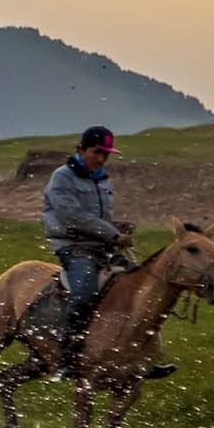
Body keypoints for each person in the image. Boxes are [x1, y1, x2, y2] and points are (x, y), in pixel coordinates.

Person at [42, 125, 172, 380]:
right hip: (73, 247)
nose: (101, 158)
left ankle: (142, 357)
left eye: (106, 154)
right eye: (96, 152)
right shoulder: (62, 177)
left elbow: (98, 217)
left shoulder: (102, 178)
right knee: (85, 294)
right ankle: (67, 356)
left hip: (101, 246)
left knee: (139, 289)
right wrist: (112, 234)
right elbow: (73, 216)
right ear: (80, 149)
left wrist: (116, 227)